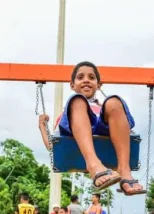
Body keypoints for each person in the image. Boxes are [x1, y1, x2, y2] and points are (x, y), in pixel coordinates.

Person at [37, 61, 146, 196]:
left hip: (104, 130)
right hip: (77, 136)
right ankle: (93, 165)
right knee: (77, 101)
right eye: (80, 77)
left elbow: (124, 131)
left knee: (114, 102)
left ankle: (124, 170)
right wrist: (42, 126)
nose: (86, 80)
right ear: (72, 85)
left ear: (99, 85)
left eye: (91, 77)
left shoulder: (103, 109)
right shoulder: (70, 111)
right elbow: (54, 146)